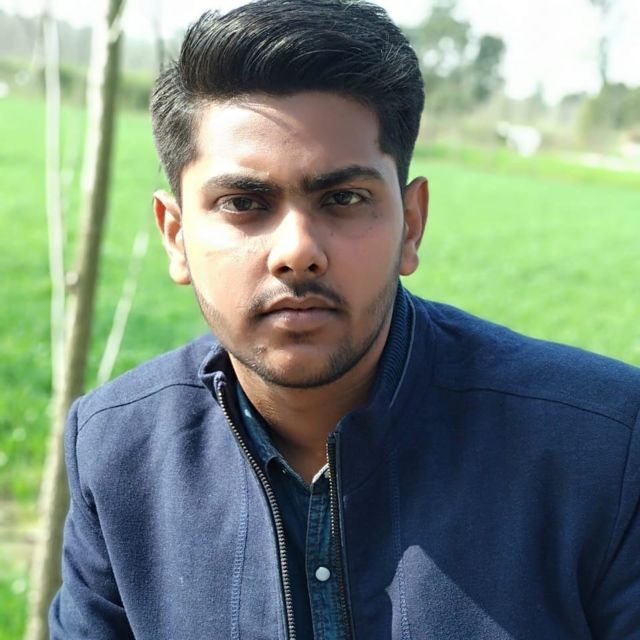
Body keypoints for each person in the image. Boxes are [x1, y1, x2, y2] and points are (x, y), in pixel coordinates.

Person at [50, 1, 640, 638]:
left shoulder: (603, 449)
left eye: (344, 198)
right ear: (175, 236)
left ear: (411, 225)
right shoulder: (117, 453)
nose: (297, 251)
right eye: (243, 203)